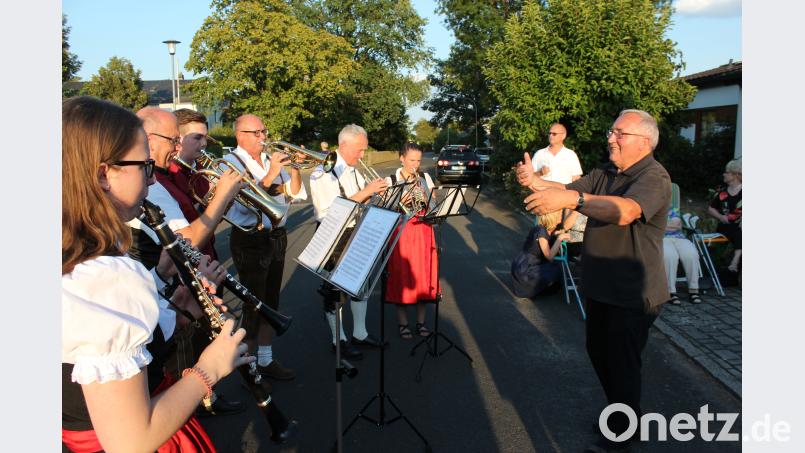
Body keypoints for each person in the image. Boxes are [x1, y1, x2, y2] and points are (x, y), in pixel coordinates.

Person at [62, 96, 252, 452]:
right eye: (143, 167)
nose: (150, 181)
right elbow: (132, 441)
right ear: (104, 174)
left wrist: (170, 300)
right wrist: (209, 368)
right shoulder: (105, 278)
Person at [516, 109, 671, 453]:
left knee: (622, 364)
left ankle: (621, 434)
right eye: (611, 131)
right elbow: (566, 188)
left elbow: (626, 210)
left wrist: (575, 200)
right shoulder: (606, 172)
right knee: (600, 354)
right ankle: (624, 416)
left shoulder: (653, 176)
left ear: (643, 141)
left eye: (619, 133)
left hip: (633, 292)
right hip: (601, 288)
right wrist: (533, 180)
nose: (610, 138)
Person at [127, 107, 246, 416]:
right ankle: (197, 403)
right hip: (160, 305)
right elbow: (188, 237)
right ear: (150, 140)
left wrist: (163, 275)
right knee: (179, 362)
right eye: (174, 139)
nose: (178, 146)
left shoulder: (164, 178)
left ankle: (202, 399)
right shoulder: (157, 183)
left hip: (170, 284)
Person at [222, 114, 307, 382]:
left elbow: (293, 193)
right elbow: (243, 203)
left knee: (271, 303)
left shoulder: (269, 161)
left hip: (276, 235)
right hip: (250, 238)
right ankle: (248, 370)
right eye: (257, 133)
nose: (263, 137)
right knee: (252, 305)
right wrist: (271, 172)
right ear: (240, 136)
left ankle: (266, 360)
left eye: (264, 131)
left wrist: (294, 167)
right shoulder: (230, 163)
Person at [310, 124, 389, 359]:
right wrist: (366, 192)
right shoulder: (323, 172)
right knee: (335, 292)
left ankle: (360, 334)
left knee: (359, 286)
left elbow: (359, 203)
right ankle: (339, 340)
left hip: (356, 232)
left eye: (364, 150)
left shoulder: (354, 169)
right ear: (343, 146)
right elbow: (331, 211)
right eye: (359, 150)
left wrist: (375, 194)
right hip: (334, 237)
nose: (362, 155)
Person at [383, 142, 439, 339]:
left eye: (418, 160)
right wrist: (400, 202)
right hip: (401, 232)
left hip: (424, 230)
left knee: (423, 276)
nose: (415, 164)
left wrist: (426, 196)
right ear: (402, 158)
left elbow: (433, 205)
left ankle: (421, 322)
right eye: (411, 160)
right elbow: (383, 210)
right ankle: (403, 323)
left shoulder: (425, 177)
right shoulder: (391, 180)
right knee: (402, 276)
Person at [510, 210, 571, 299]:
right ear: (552, 216)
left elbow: (551, 236)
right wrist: (560, 239)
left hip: (531, 264)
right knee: (556, 269)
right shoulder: (540, 230)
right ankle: (531, 288)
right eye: (559, 214)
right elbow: (549, 256)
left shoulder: (547, 229)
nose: (561, 215)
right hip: (526, 269)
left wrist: (557, 234)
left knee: (557, 269)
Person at [708, 159, 742, 273]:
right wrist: (721, 217)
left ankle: (735, 260)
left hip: (740, 227)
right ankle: (729, 264)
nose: (724, 174)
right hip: (724, 226)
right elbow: (711, 208)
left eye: (727, 172)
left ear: (736, 174)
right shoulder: (722, 192)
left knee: (739, 230)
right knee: (732, 230)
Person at [663, 207, 702, 304]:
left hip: (680, 238)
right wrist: (670, 225)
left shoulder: (670, 209)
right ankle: (670, 292)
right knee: (670, 256)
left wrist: (660, 226)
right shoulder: (648, 208)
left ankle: (693, 290)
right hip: (660, 238)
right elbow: (649, 227)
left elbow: (678, 225)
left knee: (691, 254)